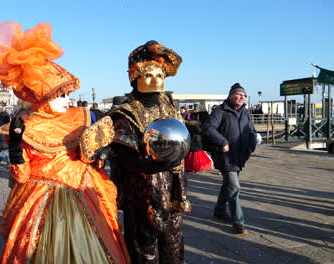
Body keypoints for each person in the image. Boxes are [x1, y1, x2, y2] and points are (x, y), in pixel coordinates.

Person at [0, 21, 129, 264]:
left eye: (67, 94)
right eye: (60, 95)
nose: (67, 101)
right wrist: (16, 148)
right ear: (42, 97)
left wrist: (98, 148)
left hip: (83, 188)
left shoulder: (78, 118)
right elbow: (21, 175)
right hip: (41, 196)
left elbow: (87, 157)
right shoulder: (24, 125)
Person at [108, 40, 190, 263]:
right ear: (135, 78)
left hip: (173, 185)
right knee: (144, 245)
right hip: (143, 189)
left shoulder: (170, 105)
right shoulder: (124, 114)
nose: (155, 80)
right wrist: (152, 164)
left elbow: (175, 62)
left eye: (160, 76)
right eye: (148, 76)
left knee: (173, 242)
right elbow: (126, 156)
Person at [202, 83, 257, 235]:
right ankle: (238, 222)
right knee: (234, 188)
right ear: (231, 95)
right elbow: (208, 128)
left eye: (244, 95)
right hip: (225, 155)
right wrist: (223, 141)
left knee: (228, 184)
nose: (241, 97)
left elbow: (251, 130)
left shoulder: (245, 112)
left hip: (240, 156)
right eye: (239, 94)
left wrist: (252, 144)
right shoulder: (221, 111)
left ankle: (219, 211)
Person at [183, 106, 213, 172]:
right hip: (195, 139)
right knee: (194, 155)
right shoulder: (199, 121)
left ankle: (194, 167)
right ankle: (194, 167)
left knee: (195, 155)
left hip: (195, 140)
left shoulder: (195, 121)